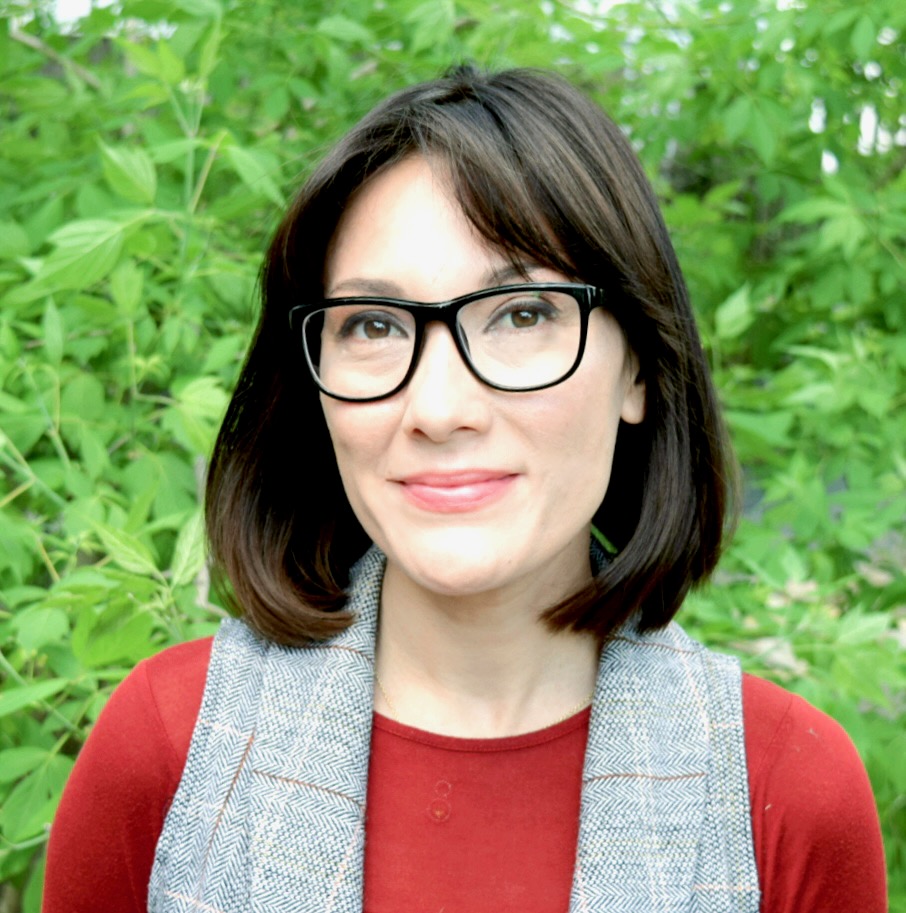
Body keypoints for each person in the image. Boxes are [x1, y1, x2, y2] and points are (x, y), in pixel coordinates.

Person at [44, 66, 886, 913]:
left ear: (638, 365)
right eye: (373, 325)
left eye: (521, 313)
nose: (439, 409)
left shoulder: (787, 789)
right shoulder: (167, 748)